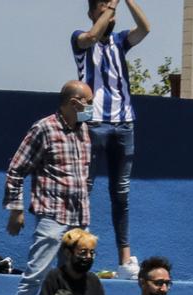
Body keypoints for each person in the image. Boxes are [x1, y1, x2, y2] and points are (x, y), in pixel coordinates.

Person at [5, 82, 94, 295]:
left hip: (79, 218)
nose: (92, 108)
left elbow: (85, 172)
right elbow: (16, 169)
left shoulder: (85, 130)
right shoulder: (44, 129)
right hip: (53, 215)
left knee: (73, 278)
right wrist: (16, 209)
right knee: (37, 274)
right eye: (89, 102)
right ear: (74, 103)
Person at [71, 0, 150, 277]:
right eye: (103, 7)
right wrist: (109, 9)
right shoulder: (80, 38)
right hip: (92, 123)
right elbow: (92, 36)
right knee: (85, 187)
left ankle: (125, 260)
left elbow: (145, 28)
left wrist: (126, 1)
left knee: (121, 193)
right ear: (92, 12)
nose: (110, 12)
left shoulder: (119, 41)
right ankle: (81, 248)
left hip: (124, 123)